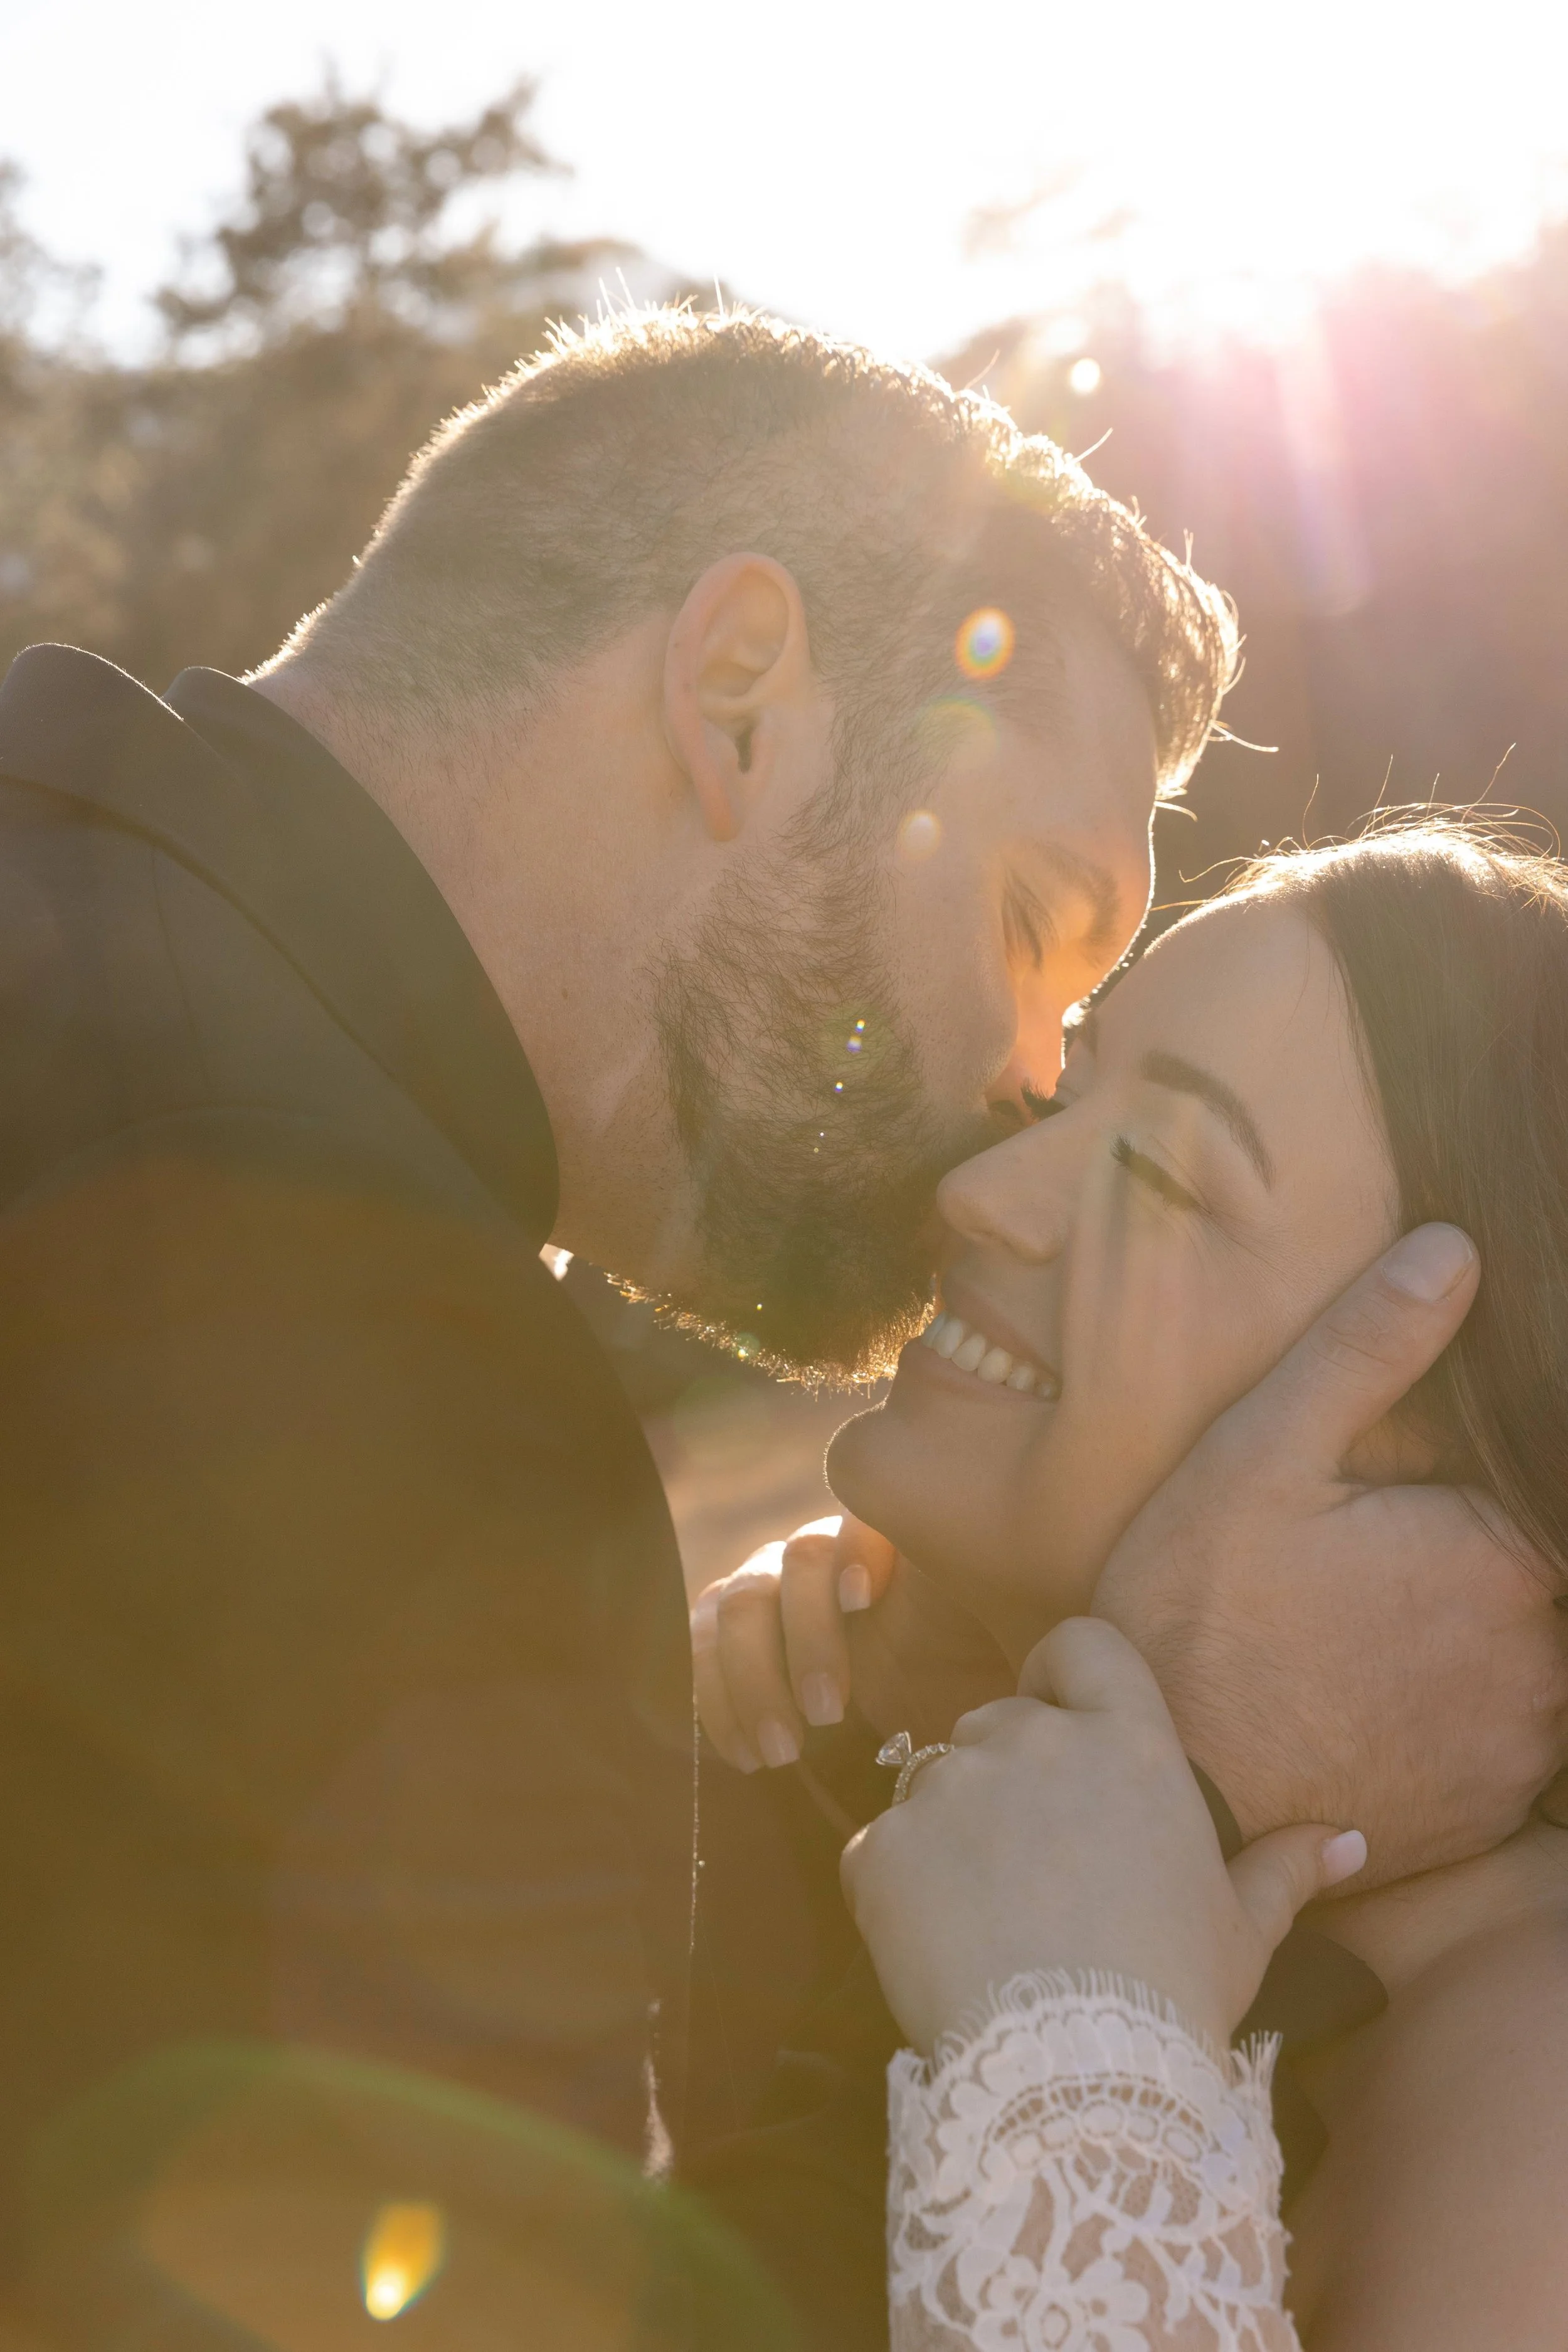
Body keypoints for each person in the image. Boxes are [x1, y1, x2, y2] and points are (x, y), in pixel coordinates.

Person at [0, 299, 1557, 2337]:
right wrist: (1114, 1876)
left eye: (1145, 1147)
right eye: (1029, 926)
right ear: (738, 697)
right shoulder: (342, 1340)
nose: (1007, 1118)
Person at [699, 818, 1568, 2344]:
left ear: (1440, 1451)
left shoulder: (1523, 2119)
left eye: (1160, 1180)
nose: (982, 1193)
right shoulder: (860, 1733)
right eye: (1066, 1089)